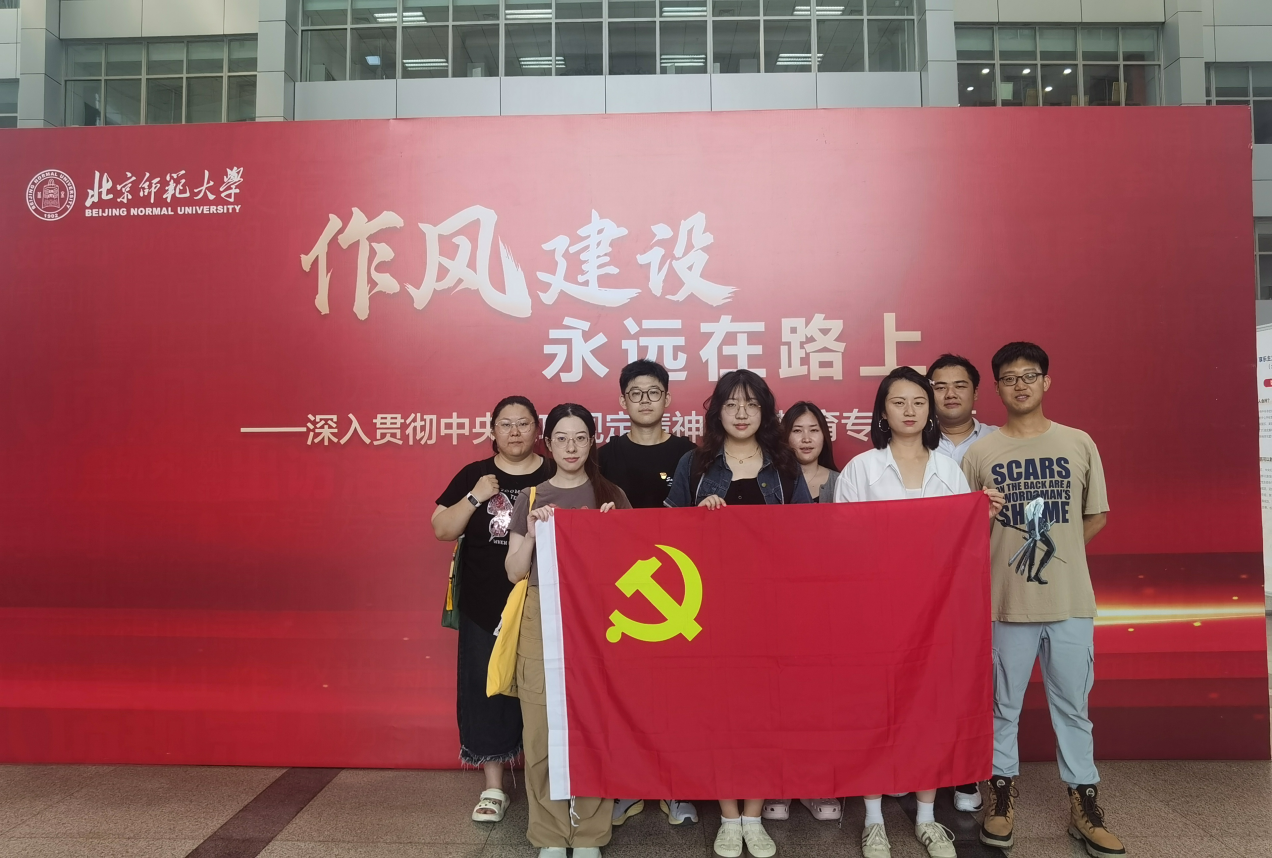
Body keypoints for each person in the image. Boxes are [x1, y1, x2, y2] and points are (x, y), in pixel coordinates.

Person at [960, 343, 1124, 858]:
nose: (1021, 385)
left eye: (1030, 375)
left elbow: (1095, 515)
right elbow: (964, 529)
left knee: (1074, 709)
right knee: (1000, 708)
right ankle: (1000, 799)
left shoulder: (1078, 442)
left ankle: (1085, 806)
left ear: (1046, 382)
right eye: (1009, 378)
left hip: (1071, 603)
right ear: (997, 388)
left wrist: (1063, 554)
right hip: (1005, 605)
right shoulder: (979, 454)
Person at [834, 367, 1004, 858]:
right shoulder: (861, 469)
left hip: (934, 615)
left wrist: (982, 517)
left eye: (919, 402)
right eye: (898, 402)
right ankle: (873, 819)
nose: (909, 411)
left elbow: (962, 547)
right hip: (875, 615)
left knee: (930, 709)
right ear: (882, 410)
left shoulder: (948, 470)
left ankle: (928, 818)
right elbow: (841, 545)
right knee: (875, 712)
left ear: (930, 411)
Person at [665, 369, 811, 858]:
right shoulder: (695, 463)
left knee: (766, 713)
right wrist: (697, 519)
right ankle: (729, 816)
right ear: (718, 412)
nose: (742, 413)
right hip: (710, 609)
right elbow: (666, 538)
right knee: (719, 712)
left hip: (771, 609)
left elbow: (809, 534)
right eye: (731, 404)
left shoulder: (784, 465)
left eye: (751, 404)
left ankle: (754, 815)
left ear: (765, 411)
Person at [505, 404, 632, 858]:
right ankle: (550, 834)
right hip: (542, 615)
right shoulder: (531, 498)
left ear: (592, 441)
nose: (571, 447)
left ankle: (591, 834)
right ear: (548, 443)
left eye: (580, 437)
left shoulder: (611, 494)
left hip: (598, 620)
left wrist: (612, 533)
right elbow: (514, 572)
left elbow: (630, 572)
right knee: (540, 729)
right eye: (561, 438)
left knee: (595, 725)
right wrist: (533, 535)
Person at [431, 395, 552, 824]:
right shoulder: (475, 475)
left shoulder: (555, 472)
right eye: (506, 424)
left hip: (544, 605)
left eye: (523, 423)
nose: (515, 431)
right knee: (487, 693)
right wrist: (474, 496)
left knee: (545, 695)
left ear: (538, 430)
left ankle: (548, 786)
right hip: (484, 605)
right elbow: (441, 529)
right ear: (492, 430)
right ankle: (494, 788)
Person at [598, 359, 700, 828]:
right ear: (622, 401)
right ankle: (628, 786)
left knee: (677, 692)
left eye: (653, 392)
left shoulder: (689, 454)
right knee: (625, 691)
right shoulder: (604, 456)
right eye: (635, 393)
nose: (644, 400)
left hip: (680, 586)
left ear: (667, 399)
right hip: (620, 590)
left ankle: (675, 787)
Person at [761, 401, 840, 825]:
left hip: (828, 607)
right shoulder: (771, 480)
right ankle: (779, 783)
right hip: (777, 605)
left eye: (814, 430)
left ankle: (816, 784)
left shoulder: (843, 482)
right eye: (797, 430)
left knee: (822, 699)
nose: (806, 439)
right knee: (777, 698)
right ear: (783, 436)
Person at [926, 353, 999, 813]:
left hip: (987, 580)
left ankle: (967, 773)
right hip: (928, 586)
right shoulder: (915, 443)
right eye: (939, 386)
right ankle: (924, 768)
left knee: (972, 679)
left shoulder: (999, 443)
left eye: (959, 385)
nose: (949, 394)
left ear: (976, 392)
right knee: (928, 679)